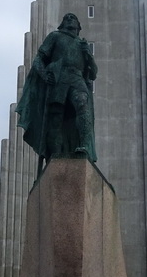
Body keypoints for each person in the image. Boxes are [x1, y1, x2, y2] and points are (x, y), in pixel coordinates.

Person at [16, 12, 98, 166]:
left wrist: (89, 55)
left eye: (73, 17)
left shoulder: (82, 45)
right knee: (56, 118)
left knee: (82, 103)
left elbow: (93, 73)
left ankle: (85, 146)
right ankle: (54, 155)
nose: (69, 19)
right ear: (62, 24)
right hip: (59, 78)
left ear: (78, 26)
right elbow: (39, 59)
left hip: (77, 79)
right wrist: (44, 74)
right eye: (66, 18)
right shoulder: (55, 36)